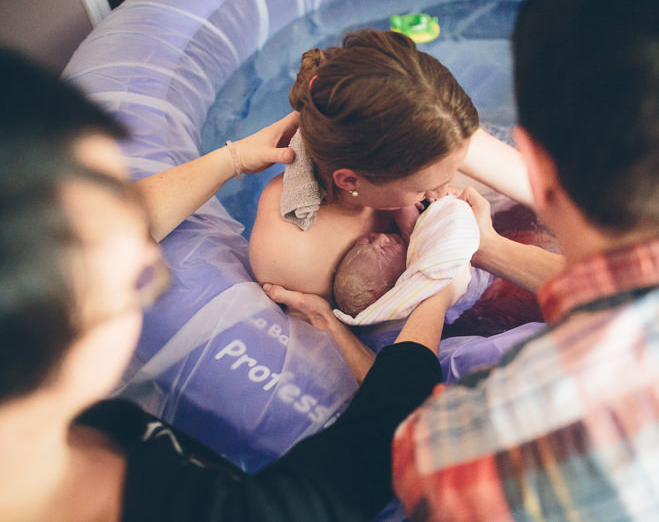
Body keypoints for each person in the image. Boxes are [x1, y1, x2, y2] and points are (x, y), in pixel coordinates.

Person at [0, 47, 464, 522]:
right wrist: (439, 280)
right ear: (59, 331)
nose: (150, 249)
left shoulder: (75, 436)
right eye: (139, 281)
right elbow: (381, 435)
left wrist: (235, 158)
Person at [385, 0, 659, 520]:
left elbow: (406, 450)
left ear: (531, 162)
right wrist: (487, 248)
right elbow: (651, 284)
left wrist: (430, 288)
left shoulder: (477, 458)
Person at [249, 29, 564, 305]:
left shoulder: (434, 125)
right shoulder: (295, 256)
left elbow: (560, 200)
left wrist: (487, 246)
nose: (442, 192)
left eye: (454, 167)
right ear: (348, 180)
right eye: (422, 187)